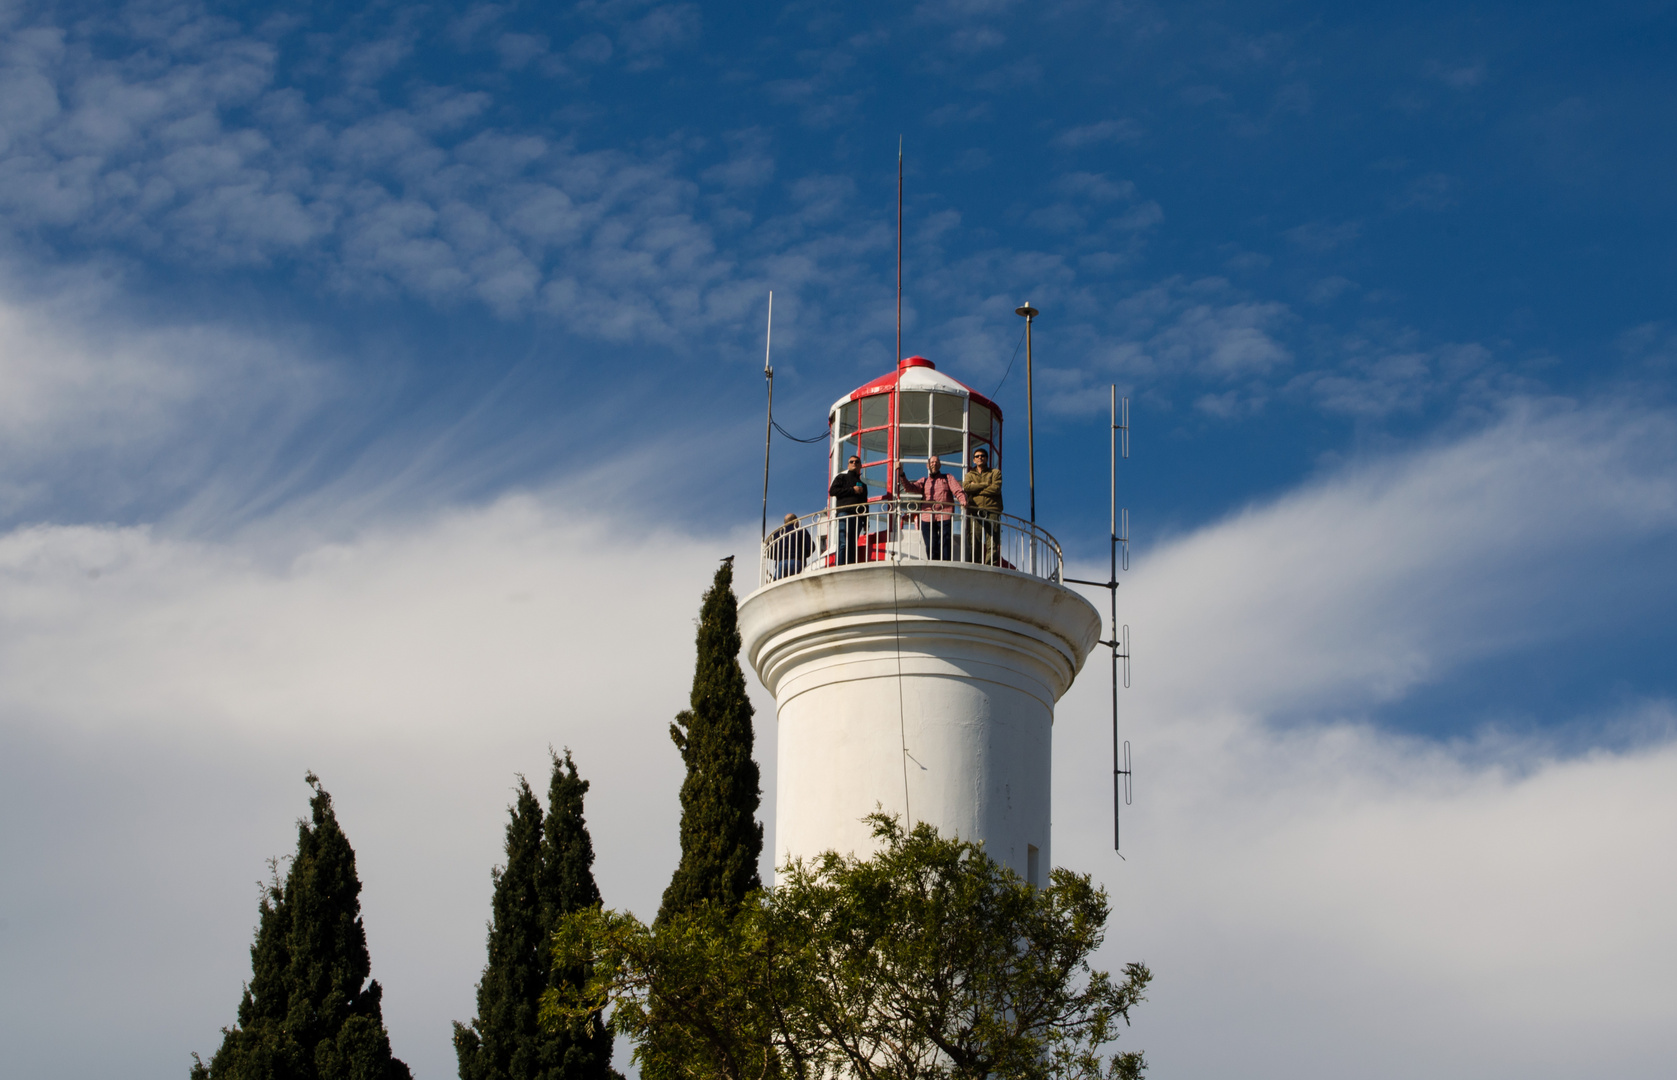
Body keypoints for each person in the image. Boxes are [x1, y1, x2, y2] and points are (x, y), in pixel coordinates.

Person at [895, 455, 967, 561]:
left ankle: (944, 566)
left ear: (940, 465)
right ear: (927, 465)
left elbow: (957, 490)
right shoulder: (924, 481)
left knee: (945, 542)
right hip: (927, 517)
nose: (934, 464)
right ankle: (934, 564)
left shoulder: (947, 478)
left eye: (936, 462)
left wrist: (963, 500)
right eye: (932, 462)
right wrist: (901, 474)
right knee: (931, 544)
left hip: (945, 515)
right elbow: (909, 487)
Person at [962, 447, 1003, 565]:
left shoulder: (995, 472)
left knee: (993, 540)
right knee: (975, 539)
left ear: (987, 459)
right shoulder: (970, 474)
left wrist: (977, 489)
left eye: (983, 456)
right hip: (975, 509)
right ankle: (976, 564)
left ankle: (990, 564)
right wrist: (985, 484)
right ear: (973, 460)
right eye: (977, 456)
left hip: (993, 509)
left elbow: (996, 489)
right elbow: (967, 487)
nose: (980, 458)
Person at [828, 454, 868, 565]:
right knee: (843, 543)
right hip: (844, 513)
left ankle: (849, 565)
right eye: (851, 461)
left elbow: (865, 503)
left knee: (852, 544)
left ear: (860, 465)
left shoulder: (863, 486)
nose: (854, 463)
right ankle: (840, 566)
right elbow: (832, 491)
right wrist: (852, 490)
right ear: (848, 465)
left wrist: (865, 521)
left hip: (858, 516)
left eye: (856, 462)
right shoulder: (841, 477)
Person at [769, 512, 814, 579]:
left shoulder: (778, 533)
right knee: (798, 584)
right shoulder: (801, 530)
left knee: (781, 586)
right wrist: (803, 555)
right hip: (797, 561)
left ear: (785, 523)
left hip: (781, 563)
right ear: (796, 521)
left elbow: (769, 550)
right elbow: (811, 547)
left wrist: (778, 556)